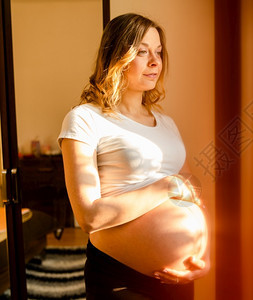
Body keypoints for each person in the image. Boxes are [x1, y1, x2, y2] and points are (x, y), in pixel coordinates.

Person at [58, 13, 210, 300]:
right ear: (117, 56)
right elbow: (88, 217)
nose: (155, 62)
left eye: (159, 52)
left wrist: (204, 256)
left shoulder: (166, 123)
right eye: (142, 52)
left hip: (180, 280)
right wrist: (165, 186)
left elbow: (192, 191)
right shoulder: (84, 119)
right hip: (121, 279)